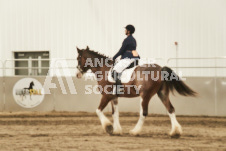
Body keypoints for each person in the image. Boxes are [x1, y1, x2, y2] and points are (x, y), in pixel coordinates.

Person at [112, 24, 140, 95]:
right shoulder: (134, 40)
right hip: (134, 58)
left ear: (128, 31)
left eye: (126, 30)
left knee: (114, 71)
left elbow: (121, 50)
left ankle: (119, 88)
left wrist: (114, 57)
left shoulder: (127, 40)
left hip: (127, 59)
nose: (125, 31)